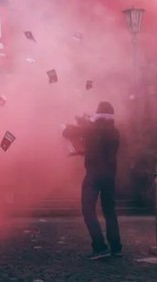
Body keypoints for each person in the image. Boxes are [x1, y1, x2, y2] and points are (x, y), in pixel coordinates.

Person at [62, 101, 122, 260]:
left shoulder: (92, 129)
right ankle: (116, 247)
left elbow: (68, 132)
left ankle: (99, 245)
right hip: (110, 174)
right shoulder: (114, 132)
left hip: (94, 173)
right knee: (109, 210)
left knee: (87, 208)